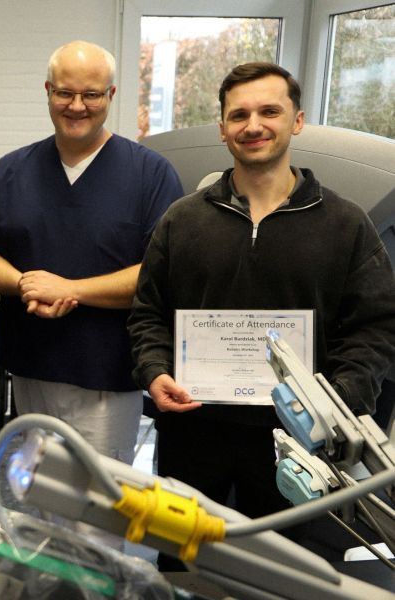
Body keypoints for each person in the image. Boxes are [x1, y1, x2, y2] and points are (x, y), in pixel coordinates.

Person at [127, 62, 395, 536]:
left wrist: (335, 403)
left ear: (297, 120)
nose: (253, 126)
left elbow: (375, 327)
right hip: (193, 434)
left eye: (269, 111)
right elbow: (148, 313)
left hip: (297, 446)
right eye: (239, 115)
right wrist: (154, 370)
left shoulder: (345, 224)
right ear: (222, 129)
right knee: (184, 561)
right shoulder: (182, 221)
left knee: (282, 566)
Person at [0, 41, 182, 464]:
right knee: (31, 491)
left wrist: (72, 290)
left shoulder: (150, 174)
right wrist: (25, 284)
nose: (77, 106)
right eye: (65, 93)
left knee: (98, 497)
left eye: (91, 94)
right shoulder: (14, 169)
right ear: (48, 91)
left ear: (111, 94)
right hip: (28, 370)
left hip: (107, 377)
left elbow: (161, 274)